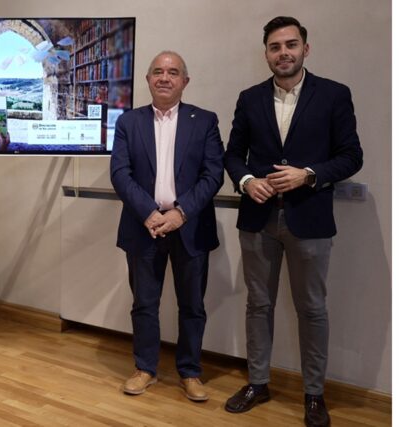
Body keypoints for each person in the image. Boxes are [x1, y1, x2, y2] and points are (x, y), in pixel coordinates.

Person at [223, 17, 363, 427]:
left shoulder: (334, 95)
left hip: (311, 219)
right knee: (258, 305)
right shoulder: (249, 98)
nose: (283, 52)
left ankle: (314, 394)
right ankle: (258, 382)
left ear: (306, 48)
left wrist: (309, 174)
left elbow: (351, 155)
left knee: (313, 309)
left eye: (291, 44)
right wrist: (247, 181)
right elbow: (233, 154)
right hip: (258, 218)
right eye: (274, 46)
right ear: (265, 52)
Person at [110, 51, 224, 401]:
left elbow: (213, 174)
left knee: (192, 305)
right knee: (144, 303)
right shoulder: (128, 122)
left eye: (173, 72)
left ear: (184, 82)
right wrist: (149, 212)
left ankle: (190, 373)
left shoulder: (204, 121)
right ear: (147, 79)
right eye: (157, 71)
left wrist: (180, 213)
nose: (164, 77)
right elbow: (120, 173)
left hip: (189, 227)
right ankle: (145, 369)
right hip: (142, 226)